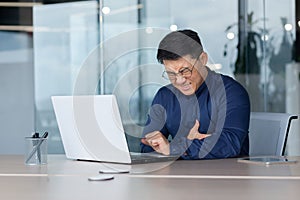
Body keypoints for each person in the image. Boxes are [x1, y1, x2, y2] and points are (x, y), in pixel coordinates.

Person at [140, 29, 250, 159]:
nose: (180, 80)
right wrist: (188, 145)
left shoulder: (231, 92)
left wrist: (175, 148)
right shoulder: (165, 96)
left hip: (225, 175)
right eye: (171, 74)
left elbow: (229, 143)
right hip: (178, 175)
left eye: (185, 70)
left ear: (202, 59)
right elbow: (147, 147)